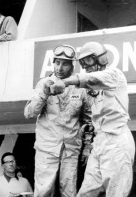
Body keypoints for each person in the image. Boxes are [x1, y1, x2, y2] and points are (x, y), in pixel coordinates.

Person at [49, 42, 135, 197]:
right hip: (100, 143)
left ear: (100, 59)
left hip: (117, 141)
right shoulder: (92, 91)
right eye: (82, 63)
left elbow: (90, 78)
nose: (85, 66)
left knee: (116, 192)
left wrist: (65, 81)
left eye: (88, 61)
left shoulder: (114, 75)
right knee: (85, 193)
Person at [24, 45, 92, 197]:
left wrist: (87, 145)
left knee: (69, 191)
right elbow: (28, 113)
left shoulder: (81, 88)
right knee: (43, 191)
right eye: (57, 63)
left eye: (65, 63)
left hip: (70, 148)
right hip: (47, 148)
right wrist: (45, 94)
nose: (60, 68)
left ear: (72, 65)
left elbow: (88, 120)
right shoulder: (43, 83)